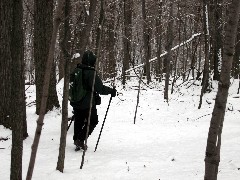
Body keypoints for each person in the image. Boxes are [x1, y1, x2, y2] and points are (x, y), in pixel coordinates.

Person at [70, 50, 116, 150]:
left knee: (79, 120)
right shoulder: (90, 73)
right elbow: (100, 88)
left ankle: (77, 139)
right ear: (92, 61)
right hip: (86, 103)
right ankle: (80, 140)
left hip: (76, 101)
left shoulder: (77, 69)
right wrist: (111, 91)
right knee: (93, 121)